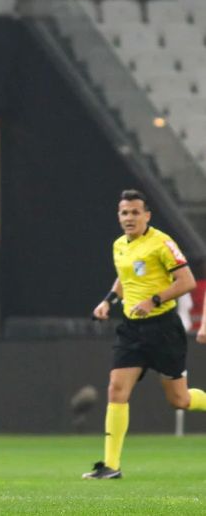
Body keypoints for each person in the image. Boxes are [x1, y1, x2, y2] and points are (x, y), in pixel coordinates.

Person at [84, 189, 206, 479]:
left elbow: (186, 281)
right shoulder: (119, 245)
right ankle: (111, 465)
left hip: (163, 328)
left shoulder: (161, 243)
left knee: (180, 401)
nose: (129, 218)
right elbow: (124, 278)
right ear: (119, 216)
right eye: (124, 212)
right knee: (116, 388)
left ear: (146, 215)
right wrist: (108, 301)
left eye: (135, 212)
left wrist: (154, 300)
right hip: (131, 329)